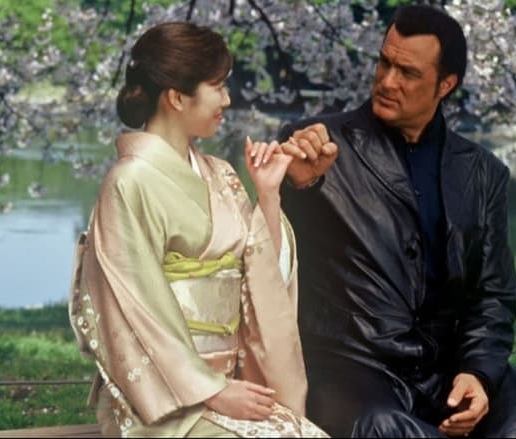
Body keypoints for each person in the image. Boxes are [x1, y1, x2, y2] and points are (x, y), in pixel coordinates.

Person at [279, 5, 516, 438]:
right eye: (384, 62)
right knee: (385, 428)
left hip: (447, 370)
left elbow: (492, 295)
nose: (387, 81)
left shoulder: (483, 173)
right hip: (351, 369)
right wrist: (299, 185)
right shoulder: (316, 145)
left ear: (445, 84)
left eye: (408, 73)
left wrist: (478, 373)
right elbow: (274, 245)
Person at [68, 22, 326, 438]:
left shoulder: (221, 175)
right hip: (159, 400)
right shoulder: (128, 182)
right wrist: (211, 390)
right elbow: (132, 310)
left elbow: (260, 282)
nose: (227, 99)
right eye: (217, 87)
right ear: (176, 97)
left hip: (226, 385)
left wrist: (268, 195)